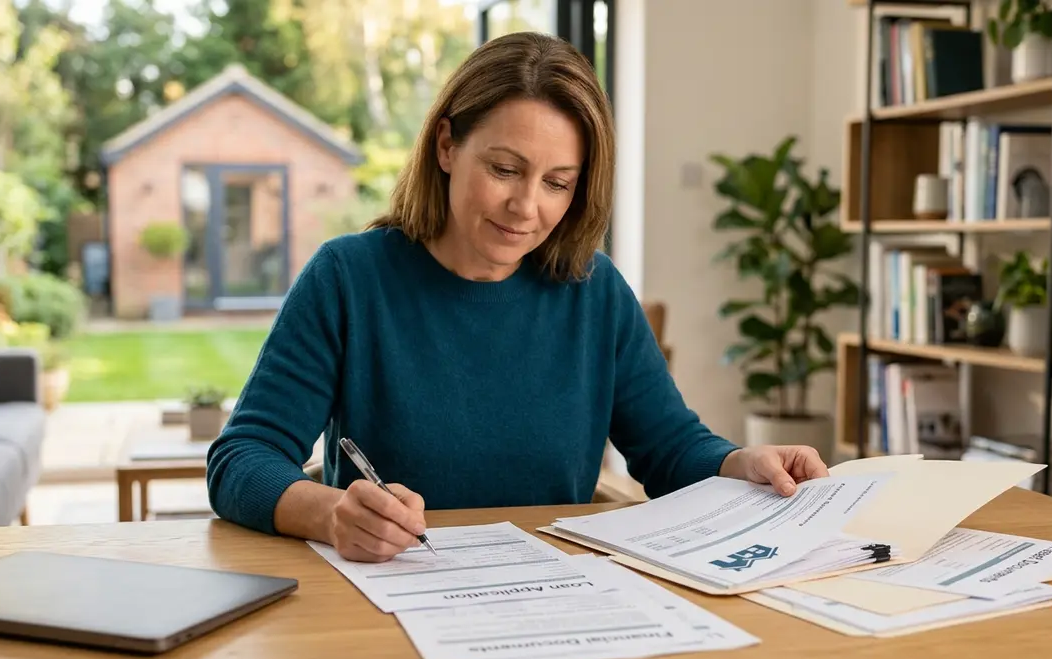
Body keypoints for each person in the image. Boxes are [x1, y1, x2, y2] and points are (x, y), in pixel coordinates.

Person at [206, 31, 829, 563]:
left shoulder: (595, 290)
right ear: (447, 146)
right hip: (391, 599)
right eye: (504, 169)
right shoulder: (348, 278)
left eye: (557, 183)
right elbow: (241, 460)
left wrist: (740, 463)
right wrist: (332, 512)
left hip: (552, 599)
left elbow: (669, 449)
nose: (526, 207)